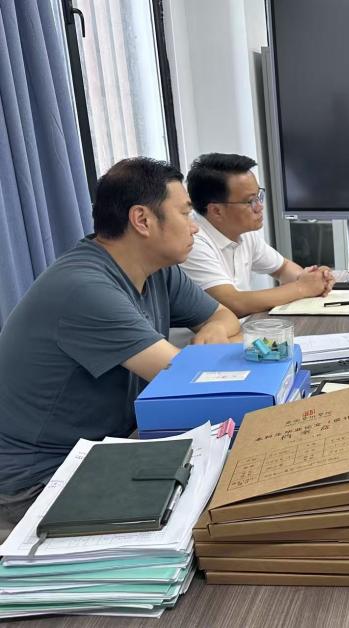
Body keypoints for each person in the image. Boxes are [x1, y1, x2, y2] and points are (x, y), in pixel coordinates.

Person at [0, 158, 241, 537]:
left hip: (103, 450)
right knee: (208, 520)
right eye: (184, 213)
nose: (194, 226)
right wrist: (209, 351)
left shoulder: (158, 271)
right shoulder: (84, 288)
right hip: (38, 481)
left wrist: (213, 331)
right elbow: (183, 381)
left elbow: (224, 316)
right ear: (142, 220)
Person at [180, 153, 334, 317]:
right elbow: (233, 303)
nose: (259, 207)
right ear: (216, 210)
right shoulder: (191, 241)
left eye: (259, 196)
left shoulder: (241, 230)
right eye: (250, 201)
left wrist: (313, 279)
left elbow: (283, 268)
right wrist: (302, 287)